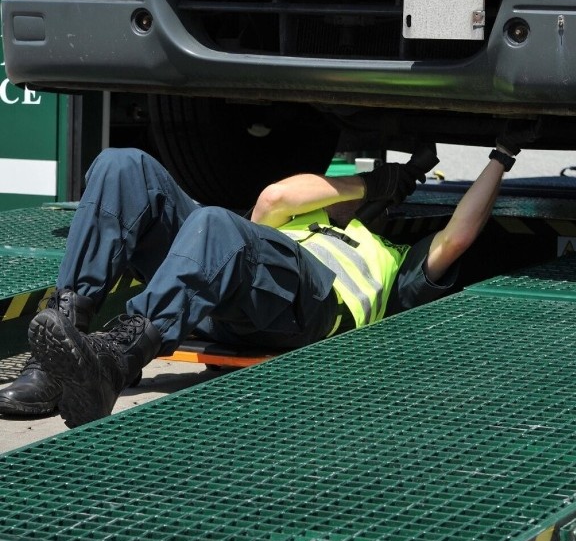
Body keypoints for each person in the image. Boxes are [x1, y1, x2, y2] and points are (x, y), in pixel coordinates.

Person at [0, 137, 523, 428]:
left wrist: (501, 156)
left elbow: (455, 238)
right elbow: (276, 199)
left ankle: (116, 358)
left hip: (309, 314)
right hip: (229, 295)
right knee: (122, 165)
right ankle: (59, 356)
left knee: (216, 224)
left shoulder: (397, 259)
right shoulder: (294, 224)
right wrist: (370, 183)